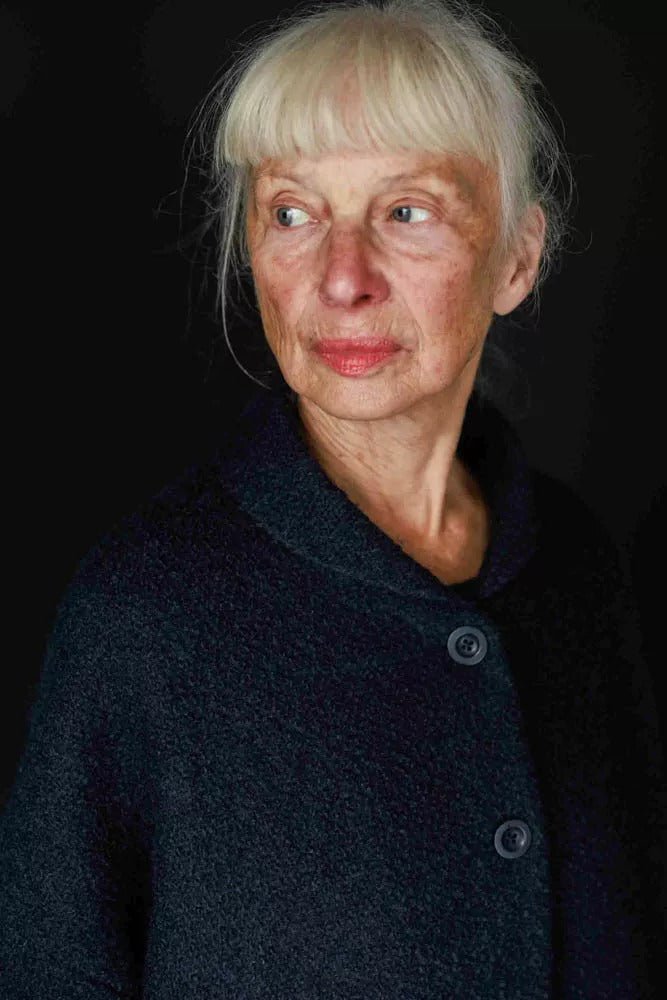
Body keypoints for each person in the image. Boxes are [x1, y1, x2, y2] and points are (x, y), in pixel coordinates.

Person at [1, 1, 665, 997]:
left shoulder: (576, 563)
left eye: (407, 212)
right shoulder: (143, 612)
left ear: (517, 259)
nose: (341, 278)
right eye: (292, 213)